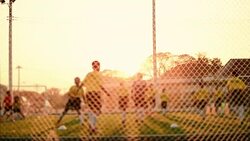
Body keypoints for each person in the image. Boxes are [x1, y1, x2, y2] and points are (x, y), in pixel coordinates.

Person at [82, 60, 110, 133]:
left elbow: (83, 84)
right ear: (98, 66)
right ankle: (93, 126)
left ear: (92, 67)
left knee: (91, 109)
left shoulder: (88, 74)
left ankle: (92, 126)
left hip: (88, 93)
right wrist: (107, 92)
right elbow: (100, 85)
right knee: (97, 110)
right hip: (96, 93)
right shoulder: (99, 74)